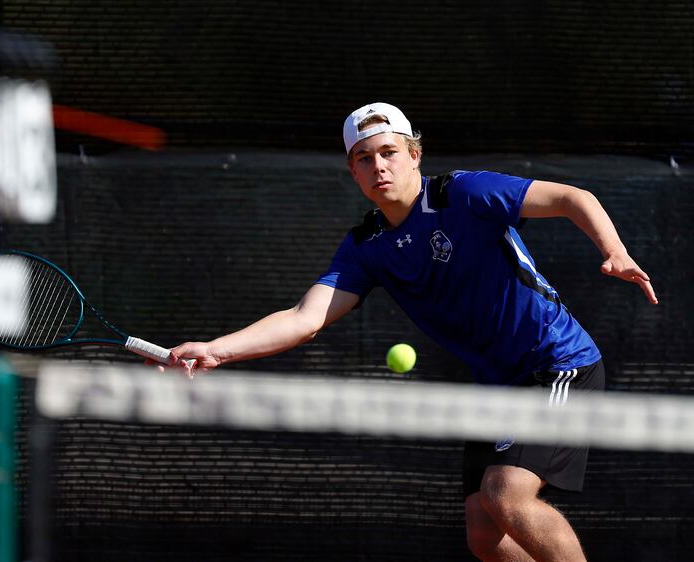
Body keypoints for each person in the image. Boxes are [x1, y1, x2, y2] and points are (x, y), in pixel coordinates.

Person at [165, 102, 658, 562]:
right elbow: (304, 318)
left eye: (388, 152)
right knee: (486, 536)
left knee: (505, 495)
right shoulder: (366, 246)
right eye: (363, 158)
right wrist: (216, 350)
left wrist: (614, 250)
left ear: (414, 155)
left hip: (557, 363)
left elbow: (574, 197)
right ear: (353, 172)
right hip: (498, 387)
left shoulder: (465, 193)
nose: (378, 165)